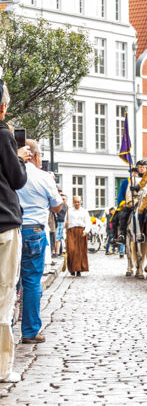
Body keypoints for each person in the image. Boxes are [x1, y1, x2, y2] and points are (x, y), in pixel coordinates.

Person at [16, 139, 63, 344]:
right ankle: (30, 331)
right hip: (34, 231)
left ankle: (6, 327)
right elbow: (57, 206)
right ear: (34, 156)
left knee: (8, 282)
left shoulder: (8, 173)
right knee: (32, 282)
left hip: (11, 229)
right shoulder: (43, 177)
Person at [0, 80, 31, 383]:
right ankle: (2, 367)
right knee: (5, 295)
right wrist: (20, 159)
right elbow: (17, 180)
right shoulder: (3, 135)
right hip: (5, 224)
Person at [65, 196, 90, 276]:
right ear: (73, 202)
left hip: (81, 231)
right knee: (71, 250)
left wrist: (86, 231)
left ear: (81, 202)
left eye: (78, 202)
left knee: (80, 251)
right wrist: (65, 226)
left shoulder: (84, 211)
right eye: (75, 202)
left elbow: (88, 222)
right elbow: (65, 221)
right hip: (71, 231)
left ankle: (79, 269)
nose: (77, 203)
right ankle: (72, 269)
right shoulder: (69, 211)